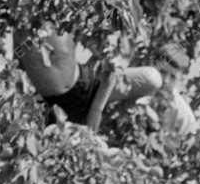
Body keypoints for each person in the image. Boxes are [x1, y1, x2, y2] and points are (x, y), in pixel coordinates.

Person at [14, 26, 162, 131]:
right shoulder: (24, 28)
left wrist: (101, 100)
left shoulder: (64, 12)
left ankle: (122, 110)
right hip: (65, 97)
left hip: (83, 93)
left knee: (153, 78)